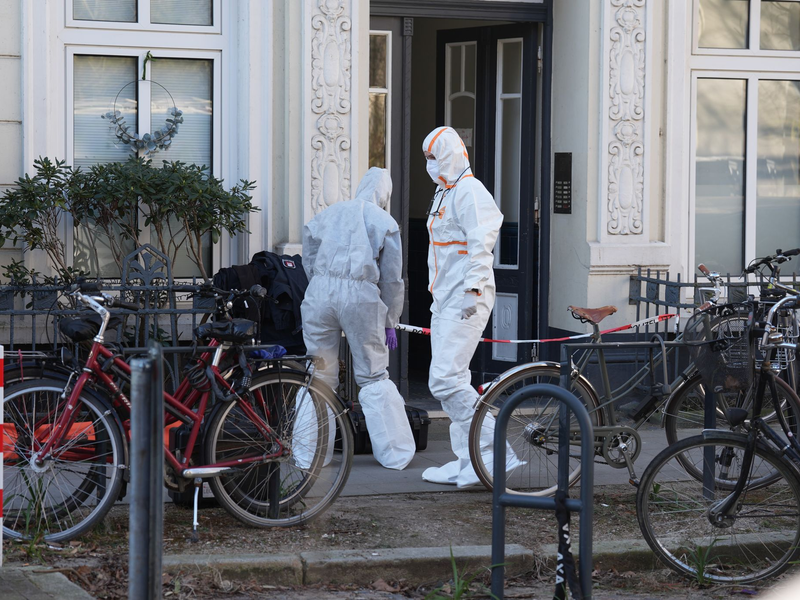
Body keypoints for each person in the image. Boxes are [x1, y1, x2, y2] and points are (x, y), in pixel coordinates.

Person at [421, 126, 520, 487]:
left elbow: (482, 244)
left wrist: (473, 290)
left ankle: (497, 452)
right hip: (444, 298)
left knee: (444, 380)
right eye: (426, 159)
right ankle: (470, 460)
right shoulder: (443, 193)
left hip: (465, 299)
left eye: (434, 157)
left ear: (450, 154)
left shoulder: (470, 192)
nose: (430, 165)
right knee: (456, 379)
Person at [300, 167, 416, 470]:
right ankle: (394, 453)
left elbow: (308, 248)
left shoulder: (331, 212)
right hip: (360, 296)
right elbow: (392, 279)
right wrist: (391, 319)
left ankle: (309, 453)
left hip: (320, 293)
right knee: (373, 374)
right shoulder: (384, 221)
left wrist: (319, 281)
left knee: (319, 375)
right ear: (385, 193)